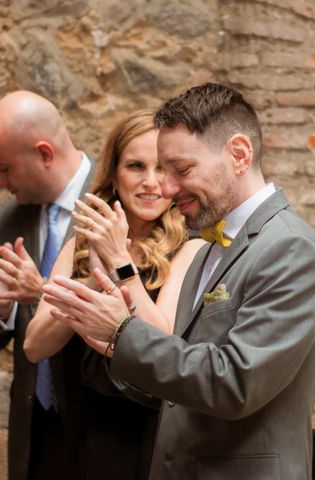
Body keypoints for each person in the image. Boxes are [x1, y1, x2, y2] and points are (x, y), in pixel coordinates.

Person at [42, 82, 315, 479]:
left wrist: (122, 334)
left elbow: (233, 383)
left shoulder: (290, 249)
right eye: (165, 172)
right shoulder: (209, 246)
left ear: (239, 154)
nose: (165, 188)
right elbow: (178, 374)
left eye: (181, 170)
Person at [23, 109, 203, 478]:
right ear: (114, 174)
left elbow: (160, 338)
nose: (151, 182)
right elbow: (34, 346)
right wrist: (90, 282)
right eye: (136, 166)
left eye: (162, 169)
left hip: (147, 435)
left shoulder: (190, 248)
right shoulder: (80, 247)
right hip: (77, 432)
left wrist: (121, 262)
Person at [0, 90, 96, 480]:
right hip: (34, 433)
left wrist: (40, 289)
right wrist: (0, 309)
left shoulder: (116, 199)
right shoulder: (6, 221)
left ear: (43, 153)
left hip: (102, 429)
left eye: (3, 168)